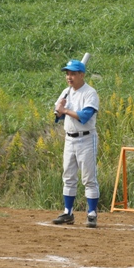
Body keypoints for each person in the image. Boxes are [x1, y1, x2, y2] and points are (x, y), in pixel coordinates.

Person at [52, 59, 100, 228]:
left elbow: (85, 115)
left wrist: (65, 111)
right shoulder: (66, 92)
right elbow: (58, 116)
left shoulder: (90, 93)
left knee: (88, 177)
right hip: (69, 138)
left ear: (81, 75)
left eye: (73, 74)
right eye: (67, 74)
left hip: (86, 138)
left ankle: (92, 213)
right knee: (68, 176)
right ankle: (68, 212)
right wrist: (59, 111)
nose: (69, 77)